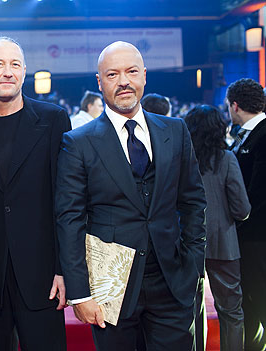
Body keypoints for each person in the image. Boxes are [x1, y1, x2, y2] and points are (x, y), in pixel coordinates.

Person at [55, 41, 206, 350]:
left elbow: (193, 202)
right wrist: (81, 292)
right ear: (100, 82)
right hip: (111, 287)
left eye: (131, 71)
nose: (123, 81)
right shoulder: (78, 142)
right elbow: (70, 219)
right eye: (112, 74)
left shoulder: (175, 130)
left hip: (172, 280)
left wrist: (193, 264)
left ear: (144, 76)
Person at [0, 37, 70, 351]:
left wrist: (65, 269)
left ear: (24, 72)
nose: (8, 72)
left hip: (43, 274)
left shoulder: (53, 120)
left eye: (15, 64)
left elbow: (65, 198)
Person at [184, 104, 250, 351]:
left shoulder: (181, 159)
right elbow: (241, 208)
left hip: (187, 242)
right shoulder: (226, 158)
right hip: (224, 243)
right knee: (231, 310)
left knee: (192, 310)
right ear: (219, 128)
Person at [226, 77, 266, 351]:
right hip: (247, 236)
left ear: (235, 105)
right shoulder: (245, 135)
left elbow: (259, 191)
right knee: (250, 301)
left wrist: (241, 220)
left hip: (258, 237)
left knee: (261, 298)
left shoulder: (263, 135)